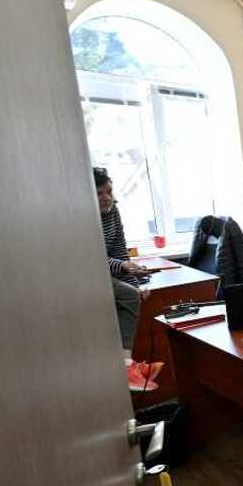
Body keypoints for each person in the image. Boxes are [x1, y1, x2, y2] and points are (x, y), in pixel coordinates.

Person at [94, 167, 161, 389]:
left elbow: (119, 251)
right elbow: (90, 259)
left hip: (110, 271)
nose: (106, 198)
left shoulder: (113, 212)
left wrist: (136, 282)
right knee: (129, 295)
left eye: (109, 192)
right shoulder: (84, 216)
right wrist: (123, 266)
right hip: (88, 274)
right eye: (100, 193)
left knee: (136, 293)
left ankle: (129, 365)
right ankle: (126, 367)